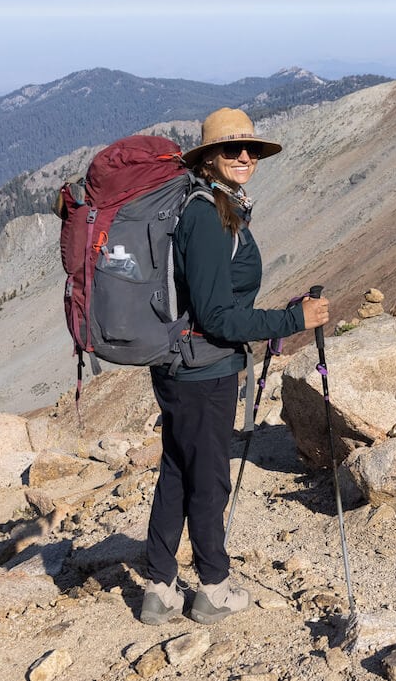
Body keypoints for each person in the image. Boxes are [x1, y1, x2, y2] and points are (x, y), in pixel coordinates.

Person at [141, 107, 329, 626]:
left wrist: (269, 318)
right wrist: (291, 318)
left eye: (250, 149)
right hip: (203, 371)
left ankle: (158, 589)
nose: (244, 156)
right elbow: (217, 315)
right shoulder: (205, 214)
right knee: (207, 478)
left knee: (178, 469)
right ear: (209, 157)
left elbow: (221, 303)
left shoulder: (218, 207)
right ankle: (213, 587)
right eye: (231, 149)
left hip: (186, 364)